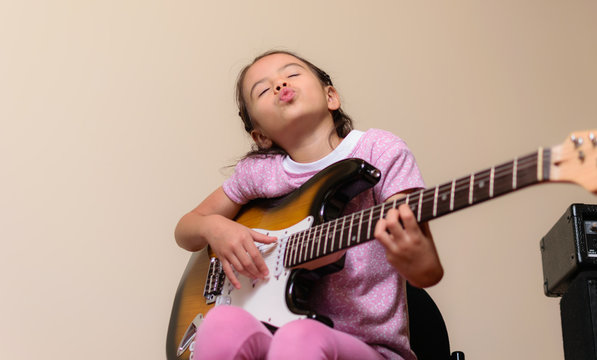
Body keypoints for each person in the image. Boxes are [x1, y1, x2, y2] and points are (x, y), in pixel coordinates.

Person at [174, 50, 444, 360]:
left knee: (300, 337)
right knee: (219, 323)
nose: (280, 84)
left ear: (331, 96)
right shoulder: (262, 172)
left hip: (369, 349)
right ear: (260, 136)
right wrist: (214, 228)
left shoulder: (378, 150)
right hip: (275, 342)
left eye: (292, 73)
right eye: (262, 89)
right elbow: (185, 230)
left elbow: (426, 271)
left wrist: (417, 257)